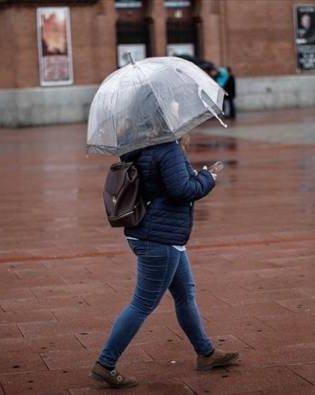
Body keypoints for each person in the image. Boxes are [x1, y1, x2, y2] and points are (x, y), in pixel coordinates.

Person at [90, 130, 239, 389]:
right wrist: (209, 176)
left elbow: (160, 183)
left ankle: (206, 353)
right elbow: (182, 190)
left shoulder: (138, 144)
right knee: (142, 304)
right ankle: (105, 363)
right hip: (160, 238)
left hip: (153, 231)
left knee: (185, 295)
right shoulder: (167, 148)